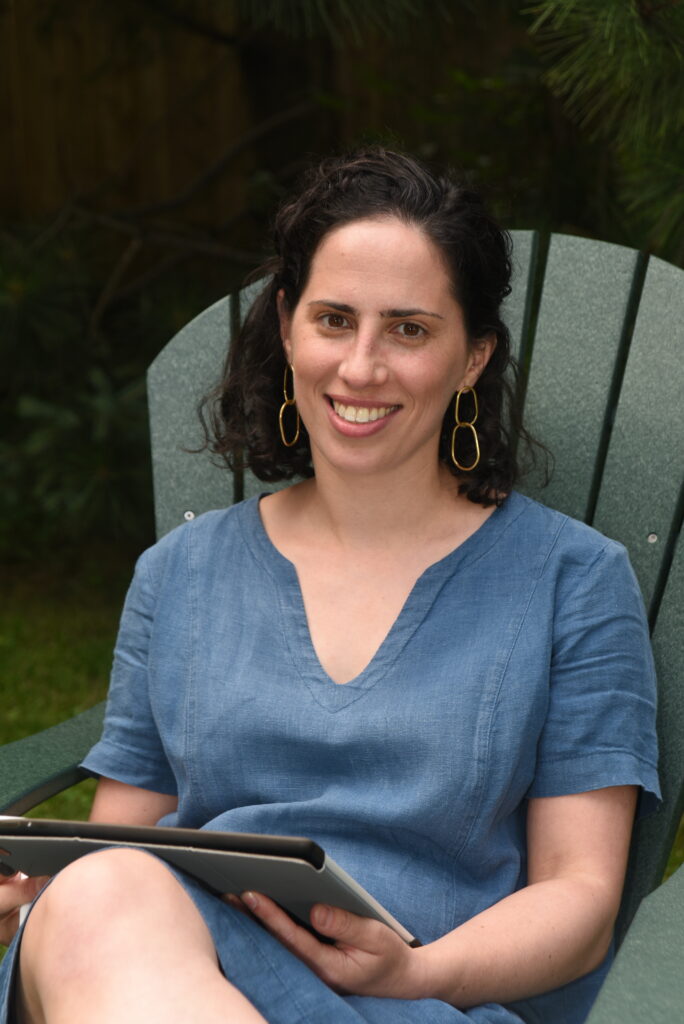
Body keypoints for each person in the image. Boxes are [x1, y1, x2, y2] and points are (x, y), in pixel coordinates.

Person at [0, 148, 659, 1024]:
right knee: (97, 897)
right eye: (334, 320)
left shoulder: (570, 581)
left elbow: (579, 903)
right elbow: (120, 847)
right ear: (287, 327)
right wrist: (29, 900)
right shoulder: (182, 577)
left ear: (473, 358)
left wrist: (416, 974)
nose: (360, 367)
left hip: (430, 995)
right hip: (180, 968)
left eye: (409, 329)